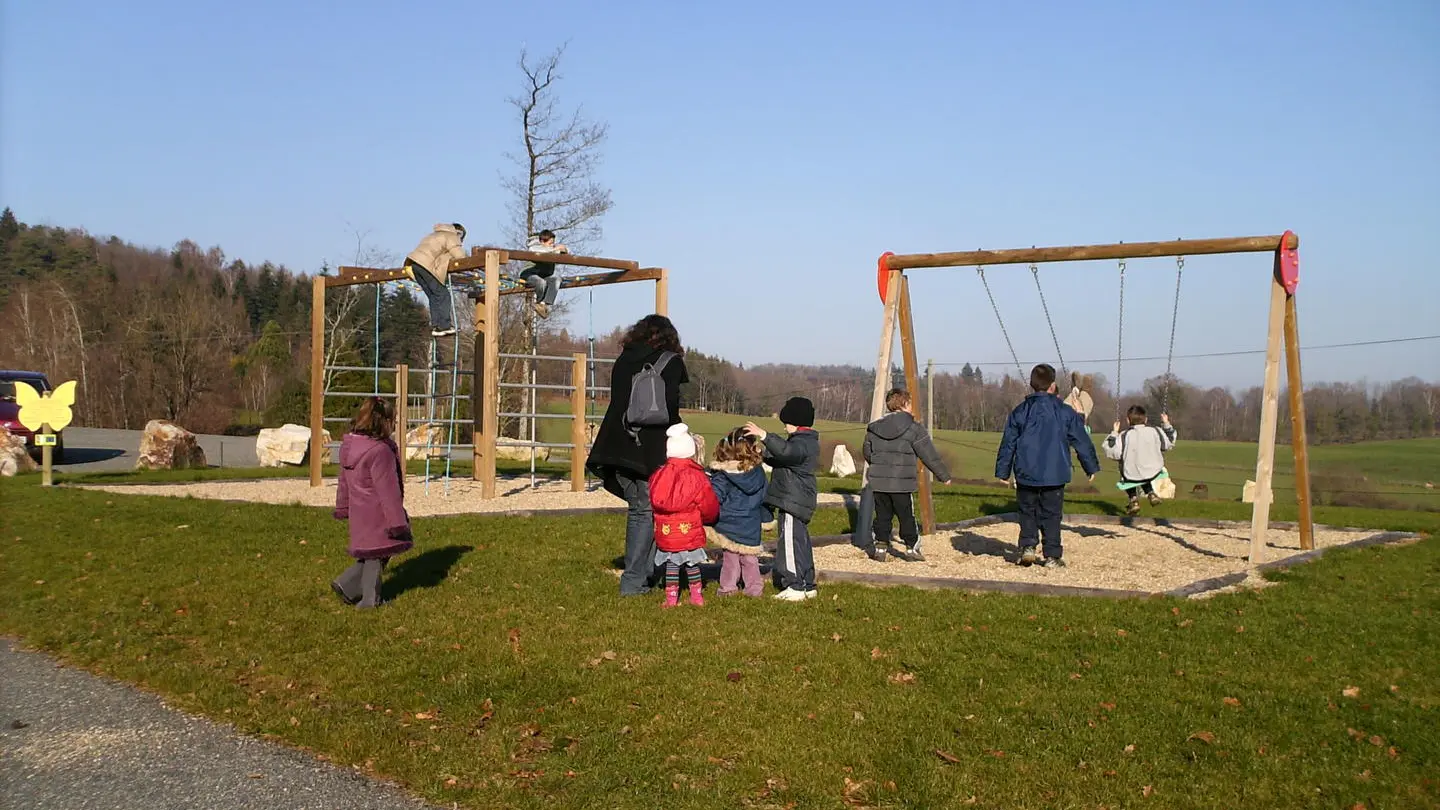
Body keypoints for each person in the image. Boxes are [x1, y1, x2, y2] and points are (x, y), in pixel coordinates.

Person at [586, 315, 688, 597]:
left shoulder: (623, 359)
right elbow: (670, 407)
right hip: (648, 448)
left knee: (645, 509)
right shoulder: (670, 362)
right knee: (645, 511)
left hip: (616, 443)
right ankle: (633, 582)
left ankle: (645, 573)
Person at [995, 364, 1101, 568]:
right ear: (1053, 385)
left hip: (1026, 472)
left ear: (1032, 385)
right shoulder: (1065, 412)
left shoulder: (1020, 411)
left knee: (1027, 511)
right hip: (1055, 473)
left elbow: (1008, 441)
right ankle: (1052, 555)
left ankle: (1027, 547)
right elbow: (1081, 440)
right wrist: (1090, 466)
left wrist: (1003, 471)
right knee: (1052, 515)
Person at [331, 397, 412, 609]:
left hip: (360, 513)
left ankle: (346, 584)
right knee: (377, 556)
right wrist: (397, 522)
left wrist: (343, 507)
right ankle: (369, 601)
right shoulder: (380, 452)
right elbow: (389, 492)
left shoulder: (351, 446)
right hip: (379, 514)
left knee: (370, 554)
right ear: (384, 421)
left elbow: (343, 482)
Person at [862, 388, 952, 563]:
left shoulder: (874, 428)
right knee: (906, 516)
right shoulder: (914, 428)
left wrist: (879, 464)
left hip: (879, 482)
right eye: (910, 403)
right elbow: (928, 454)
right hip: (902, 484)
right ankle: (911, 547)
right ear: (904, 404)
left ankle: (880, 546)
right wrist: (944, 475)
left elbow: (867, 451)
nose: (912, 407)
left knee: (882, 515)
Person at [744, 397, 820, 601]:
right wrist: (764, 452)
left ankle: (794, 585)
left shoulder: (802, 444)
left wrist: (765, 435)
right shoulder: (805, 442)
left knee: (789, 543)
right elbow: (784, 457)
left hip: (792, 502)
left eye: (786, 423)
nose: (785, 427)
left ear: (796, 422)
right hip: (796, 501)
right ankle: (807, 584)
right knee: (801, 543)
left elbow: (787, 452)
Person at [649, 424, 721, 608]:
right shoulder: (697, 476)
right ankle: (696, 595)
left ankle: (671, 598)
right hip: (689, 529)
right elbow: (707, 503)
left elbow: (653, 500)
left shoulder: (658, 475)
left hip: (667, 531)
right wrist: (710, 517)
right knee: (692, 564)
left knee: (671, 566)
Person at [707, 427, 770, 597]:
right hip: (750, 524)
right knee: (750, 559)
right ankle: (754, 589)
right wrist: (767, 519)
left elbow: (715, 497)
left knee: (731, 558)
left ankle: (728, 588)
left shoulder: (722, 474)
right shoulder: (758, 473)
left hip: (729, 523)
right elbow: (765, 498)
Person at [1105, 405, 1178, 516]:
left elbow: (1112, 452)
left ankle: (1133, 499)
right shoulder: (1156, 431)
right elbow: (1169, 442)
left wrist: (1114, 432)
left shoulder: (1124, 436)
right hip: (1154, 472)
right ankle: (1151, 493)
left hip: (1131, 475)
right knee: (1143, 470)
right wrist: (1166, 423)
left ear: (1128, 420)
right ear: (1146, 419)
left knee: (1129, 468)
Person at [405, 223, 468, 337]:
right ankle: (444, 325)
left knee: (433, 296)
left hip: (414, 265)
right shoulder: (451, 236)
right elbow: (460, 256)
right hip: (426, 265)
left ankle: (436, 326)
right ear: (459, 234)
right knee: (443, 294)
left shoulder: (434, 235)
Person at [519, 229, 569, 319]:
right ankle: (539, 301)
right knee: (541, 282)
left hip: (544, 275)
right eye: (550, 243)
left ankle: (542, 304)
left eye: (553, 243)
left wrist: (563, 249)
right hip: (530, 274)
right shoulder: (535, 248)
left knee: (557, 279)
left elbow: (565, 253)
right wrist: (555, 249)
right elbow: (537, 250)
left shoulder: (552, 250)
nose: (552, 245)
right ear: (542, 242)